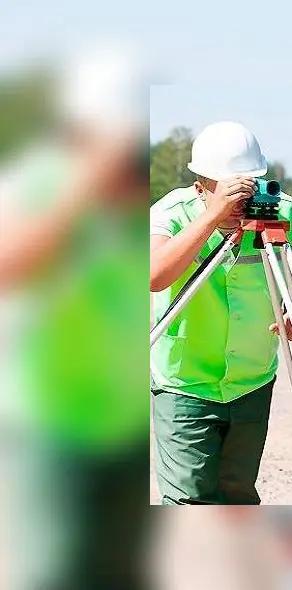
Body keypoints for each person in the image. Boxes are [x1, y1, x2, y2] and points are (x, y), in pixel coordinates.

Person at [0, 42, 152, 589]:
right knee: (56, 572)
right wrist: (84, 186)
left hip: (126, 426)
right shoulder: (38, 182)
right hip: (51, 425)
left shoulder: (142, 199)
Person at [149, 121, 292, 505]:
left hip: (252, 378)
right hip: (186, 382)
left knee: (238, 496)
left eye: (244, 188)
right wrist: (211, 218)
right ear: (200, 186)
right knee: (190, 498)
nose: (237, 202)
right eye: (225, 190)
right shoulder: (171, 214)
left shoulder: (283, 216)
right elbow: (154, 276)